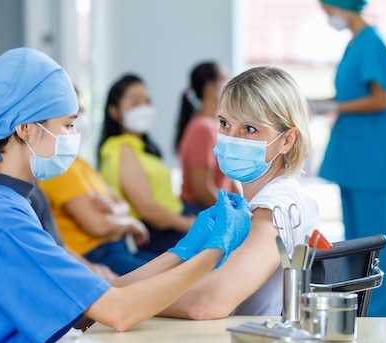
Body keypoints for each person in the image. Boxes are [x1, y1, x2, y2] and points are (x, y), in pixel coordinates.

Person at [0, 47, 251, 343]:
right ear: (25, 127)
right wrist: (213, 252)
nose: (72, 137)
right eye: (66, 124)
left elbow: (91, 301)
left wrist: (183, 252)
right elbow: (119, 311)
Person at [158, 66, 319, 319]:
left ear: (287, 140)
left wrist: (126, 301)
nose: (231, 137)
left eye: (250, 129)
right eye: (224, 123)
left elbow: (208, 301)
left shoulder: (275, 204)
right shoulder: (261, 199)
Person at [312, 0, 386, 325]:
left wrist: (334, 108)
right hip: (355, 161)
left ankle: (379, 321)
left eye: (325, 7)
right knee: (358, 246)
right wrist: (321, 103)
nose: (325, 13)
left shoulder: (372, 43)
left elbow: (381, 98)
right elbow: (350, 95)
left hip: (372, 163)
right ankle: (361, 317)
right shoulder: (357, 43)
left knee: (379, 247)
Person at [0, 133, 118, 281]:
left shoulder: (23, 166)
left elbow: (50, 240)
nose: (71, 132)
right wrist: (86, 273)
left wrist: (86, 269)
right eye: (67, 123)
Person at [38, 90, 156, 275]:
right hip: (97, 255)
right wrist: (130, 223)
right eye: (75, 114)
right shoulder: (60, 168)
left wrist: (116, 211)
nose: (81, 119)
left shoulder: (81, 164)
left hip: (116, 248)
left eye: (83, 111)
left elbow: (121, 204)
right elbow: (98, 225)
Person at [97, 74, 196, 255]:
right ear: (114, 111)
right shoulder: (122, 148)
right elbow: (147, 210)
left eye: (147, 101)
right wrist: (188, 225)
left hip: (172, 223)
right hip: (156, 233)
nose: (144, 107)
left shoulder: (141, 148)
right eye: (135, 103)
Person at [175, 62, 238, 214]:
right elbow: (202, 190)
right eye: (226, 79)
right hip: (200, 213)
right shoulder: (202, 129)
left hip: (215, 208)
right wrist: (231, 214)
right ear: (211, 87)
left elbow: (227, 181)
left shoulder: (215, 126)